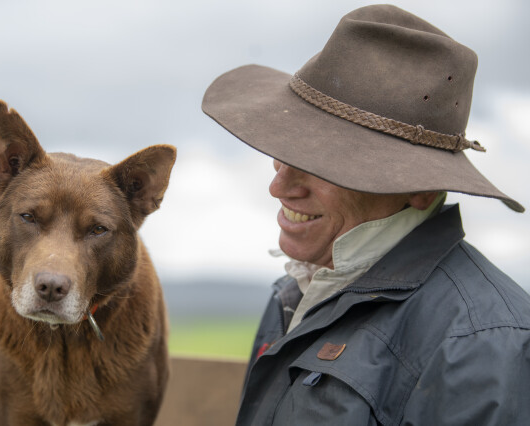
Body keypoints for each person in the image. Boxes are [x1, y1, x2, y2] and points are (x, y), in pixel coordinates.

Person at [202, 4, 529, 425]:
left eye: (322, 162)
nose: (279, 187)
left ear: (421, 188)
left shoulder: (482, 345)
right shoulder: (298, 290)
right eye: (285, 149)